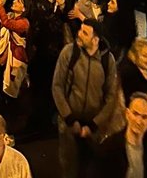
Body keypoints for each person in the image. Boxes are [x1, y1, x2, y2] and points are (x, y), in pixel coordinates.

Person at [52, 18, 122, 177]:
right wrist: (69, 118)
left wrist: (94, 124)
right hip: (69, 123)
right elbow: (57, 86)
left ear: (96, 39)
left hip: (94, 127)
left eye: (85, 32)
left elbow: (111, 96)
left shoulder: (107, 61)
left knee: (92, 168)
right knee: (69, 167)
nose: (79, 34)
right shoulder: (69, 53)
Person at [93, 91, 147, 178]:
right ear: (127, 114)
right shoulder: (110, 147)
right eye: (135, 114)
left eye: (144, 117)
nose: (139, 121)